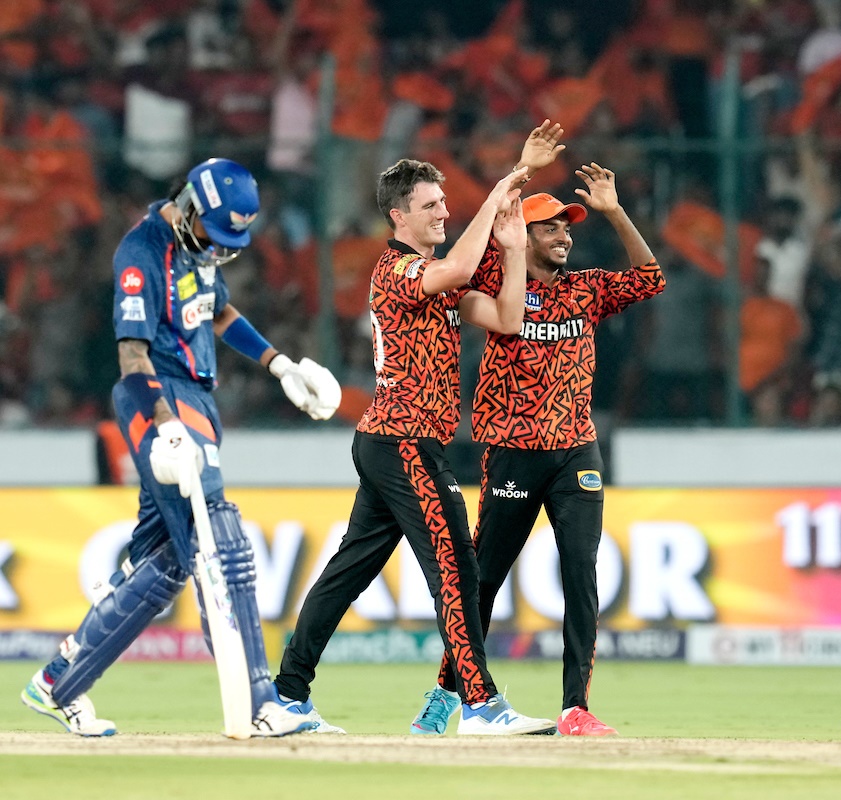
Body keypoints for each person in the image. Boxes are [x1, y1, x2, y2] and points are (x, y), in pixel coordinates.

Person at [21, 158, 341, 737]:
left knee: (167, 562)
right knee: (221, 538)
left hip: (195, 397)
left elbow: (217, 312)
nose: (221, 249)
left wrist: (279, 364)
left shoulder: (195, 250)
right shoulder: (141, 253)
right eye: (216, 234)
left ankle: (56, 683)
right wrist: (167, 426)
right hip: (157, 398)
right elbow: (132, 357)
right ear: (191, 206)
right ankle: (259, 700)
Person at [274, 122, 569, 736]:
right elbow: (463, 264)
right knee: (456, 566)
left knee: (349, 572)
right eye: (431, 205)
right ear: (398, 218)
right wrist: (513, 178)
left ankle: (286, 696)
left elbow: (510, 318)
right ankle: (482, 705)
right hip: (401, 439)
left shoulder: (435, 279)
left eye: (444, 203)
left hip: (395, 440)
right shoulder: (397, 271)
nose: (443, 212)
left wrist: (515, 250)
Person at [410, 164, 666, 737]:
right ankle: (448, 692)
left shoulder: (588, 288)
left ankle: (575, 706)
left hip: (577, 453)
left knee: (581, 573)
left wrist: (615, 210)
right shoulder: (498, 282)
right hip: (511, 453)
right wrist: (505, 218)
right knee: (482, 582)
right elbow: (458, 268)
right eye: (551, 228)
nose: (565, 236)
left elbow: (651, 279)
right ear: (524, 235)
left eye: (567, 228)